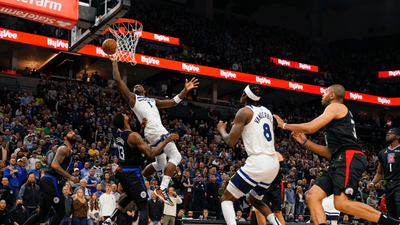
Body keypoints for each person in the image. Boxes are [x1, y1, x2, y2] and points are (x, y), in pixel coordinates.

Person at [273, 84, 400, 225]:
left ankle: (393, 223)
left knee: (342, 204)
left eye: (325, 92)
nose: (322, 95)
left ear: (332, 95)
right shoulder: (337, 118)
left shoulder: (335, 107)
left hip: (350, 157)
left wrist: (284, 125)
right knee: (312, 196)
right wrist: (306, 142)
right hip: (341, 158)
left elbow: (311, 127)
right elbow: (330, 152)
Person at [109, 56, 199, 206]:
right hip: (155, 130)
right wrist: (114, 62)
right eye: (134, 86)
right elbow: (119, 81)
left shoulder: (152, 100)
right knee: (176, 157)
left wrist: (184, 90)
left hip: (153, 131)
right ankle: (162, 189)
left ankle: (142, 178)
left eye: (139, 85)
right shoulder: (133, 99)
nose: (136, 86)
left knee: (160, 164)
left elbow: (172, 102)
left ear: (144, 90)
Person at [217, 84, 281, 225]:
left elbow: (230, 142)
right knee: (254, 200)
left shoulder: (244, 112)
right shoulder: (267, 111)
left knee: (226, 199)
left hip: (259, 162)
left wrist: (222, 130)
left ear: (245, 95)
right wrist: (240, 125)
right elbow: (255, 128)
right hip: (273, 163)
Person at [102, 112, 179, 225]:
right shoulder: (134, 136)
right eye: (124, 114)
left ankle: (110, 219)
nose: (125, 114)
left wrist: (141, 130)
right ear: (124, 121)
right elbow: (151, 154)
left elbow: (132, 142)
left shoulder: (118, 131)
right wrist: (167, 140)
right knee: (143, 206)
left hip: (121, 169)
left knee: (130, 195)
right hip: (132, 172)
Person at [24, 129, 80, 225]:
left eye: (74, 133)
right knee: (61, 211)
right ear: (65, 137)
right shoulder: (64, 148)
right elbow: (54, 165)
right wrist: (70, 177)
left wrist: (65, 178)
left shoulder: (69, 151)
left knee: (42, 213)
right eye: (70, 133)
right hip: (51, 180)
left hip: (50, 180)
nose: (73, 134)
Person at [369, 128, 400, 220]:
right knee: (391, 212)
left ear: (398, 136)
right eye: (387, 133)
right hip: (388, 185)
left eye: (391, 133)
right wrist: (372, 183)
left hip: (399, 183)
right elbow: (380, 172)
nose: (387, 134)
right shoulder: (382, 153)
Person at [256, 152, 288, 225]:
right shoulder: (259, 154)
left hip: (275, 185)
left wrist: (275, 167)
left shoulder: (276, 154)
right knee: (259, 211)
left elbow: (286, 170)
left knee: (277, 212)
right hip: (263, 184)